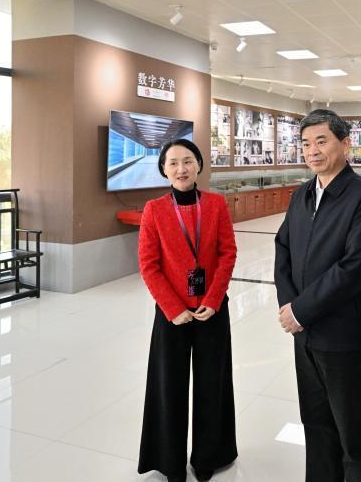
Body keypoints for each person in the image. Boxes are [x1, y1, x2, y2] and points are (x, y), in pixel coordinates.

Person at [275, 109, 361, 482]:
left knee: (353, 436)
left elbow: (355, 267)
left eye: (322, 141)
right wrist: (288, 304)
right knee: (316, 425)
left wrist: (301, 310)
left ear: (345, 143)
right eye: (306, 143)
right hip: (305, 335)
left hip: (344, 336)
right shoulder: (302, 194)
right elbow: (283, 248)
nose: (312, 151)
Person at [137, 139, 238, 482]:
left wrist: (213, 298)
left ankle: (210, 455)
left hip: (212, 309)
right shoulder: (154, 210)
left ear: (198, 165)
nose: (181, 169)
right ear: (164, 169)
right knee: (169, 386)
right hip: (172, 314)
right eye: (173, 163)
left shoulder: (216, 204)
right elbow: (149, 265)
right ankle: (169, 461)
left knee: (213, 383)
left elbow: (227, 253)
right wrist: (173, 307)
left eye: (188, 161)